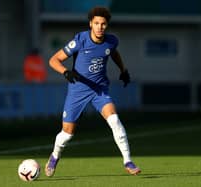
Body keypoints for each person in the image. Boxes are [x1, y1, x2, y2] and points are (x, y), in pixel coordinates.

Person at [45, 7, 141, 176]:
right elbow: (54, 60)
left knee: (114, 119)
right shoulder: (80, 40)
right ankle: (54, 156)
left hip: (99, 89)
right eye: (96, 23)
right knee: (67, 134)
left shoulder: (111, 41)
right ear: (90, 24)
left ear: (107, 25)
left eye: (103, 24)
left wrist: (123, 70)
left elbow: (113, 53)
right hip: (78, 91)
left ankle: (128, 161)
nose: (99, 27)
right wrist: (66, 72)